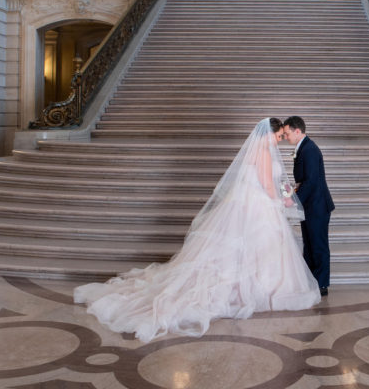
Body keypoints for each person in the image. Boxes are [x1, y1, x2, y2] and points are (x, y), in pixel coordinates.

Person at [74, 118, 322, 342]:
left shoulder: (256, 152)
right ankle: (258, 291)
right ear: (268, 134)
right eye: (278, 136)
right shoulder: (265, 154)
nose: (279, 141)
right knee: (258, 249)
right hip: (260, 207)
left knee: (246, 251)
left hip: (248, 205)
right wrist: (283, 200)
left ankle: (244, 288)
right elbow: (268, 185)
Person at [283, 116, 334, 296]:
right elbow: (305, 180)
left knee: (318, 245)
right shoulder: (303, 148)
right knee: (310, 244)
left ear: (298, 131)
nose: (285, 137)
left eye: (288, 134)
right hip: (310, 205)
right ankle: (312, 281)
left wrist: (293, 200)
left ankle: (321, 285)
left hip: (317, 206)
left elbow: (311, 182)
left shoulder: (309, 150)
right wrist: (293, 190)